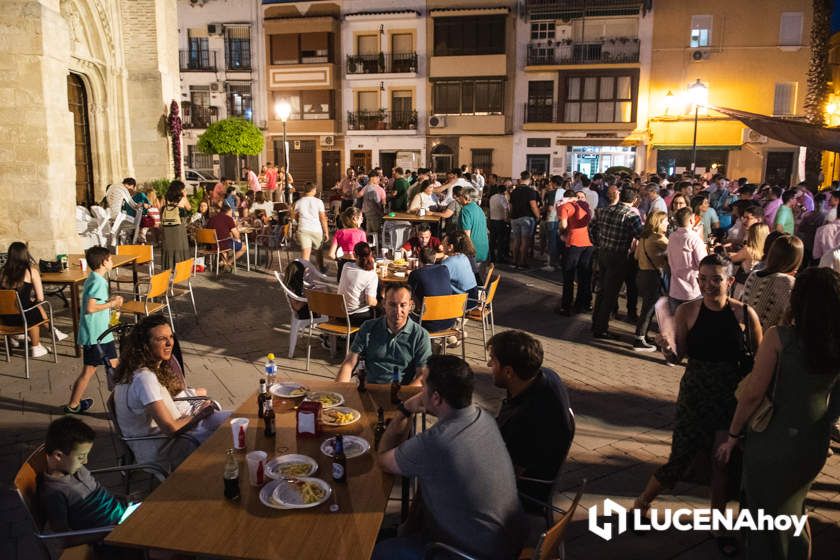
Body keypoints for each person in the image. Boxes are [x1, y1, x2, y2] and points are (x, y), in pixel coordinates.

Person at [636, 254, 762, 557]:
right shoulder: (689, 312)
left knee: (723, 463)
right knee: (680, 457)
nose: (707, 285)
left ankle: (718, 525)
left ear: (730, 281)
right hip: (696, 395)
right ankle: (642, 502)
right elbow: (678, 357)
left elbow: (759, 361)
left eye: (716, 278)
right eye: (702, 279)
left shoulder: (745, 314)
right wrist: (667, 348)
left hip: (730, 397)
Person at [717, 267, 840, 559]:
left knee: (764, 512)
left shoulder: (780, 338)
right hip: (813, 440)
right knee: (793, 508)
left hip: (773, 436)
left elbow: (753, 394)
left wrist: (733, 434)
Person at [373, 355, 526, 560]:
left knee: (370, 552)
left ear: (436, 398)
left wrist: (404, 410)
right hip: (508, 539)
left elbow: (382, 459)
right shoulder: (484, 418)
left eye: (424, 385)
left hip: (468, 553)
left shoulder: (435, 442)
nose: (421, 390)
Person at [112, 315, 224, 472]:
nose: (170, 343)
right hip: (164, 450)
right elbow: (171, 429)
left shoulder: (133, 370)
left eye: (171, 337)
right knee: (227, 437)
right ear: (145, 345)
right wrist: (199, 414)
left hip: (161, 441)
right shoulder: (145, 379)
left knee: (231, 422)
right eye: (161, 339)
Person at [488, 331, 574, 506]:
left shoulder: (526, 419)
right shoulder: (547, 376)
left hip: (523, 496)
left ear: (509, 372)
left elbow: (506, 477)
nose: (488, 364)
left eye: (493, 361)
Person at [38, 416, 127, 531]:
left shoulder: (75, 468)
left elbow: (98, 493)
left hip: (122, 512)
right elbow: (63, 535)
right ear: (58, 456)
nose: (85, 461)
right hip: (111, 532)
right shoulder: (54, 492)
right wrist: (111, 532)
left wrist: (122, 498)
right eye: (81, 457)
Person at [336, 284, 431, 385]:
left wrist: (404, 396)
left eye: (403, 305)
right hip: (370, 389)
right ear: (384, 304)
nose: (397, 311)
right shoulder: (368, 327)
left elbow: (422, 375)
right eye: (392, 305)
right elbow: (349, 363)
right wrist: (340, 390)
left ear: (411, 305)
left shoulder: (420, 335)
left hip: (402, 393)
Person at [65, 247, 123, 414]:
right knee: (89, 371)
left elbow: (95, 302)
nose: (112, 262)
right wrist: (112, 304)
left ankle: (122, 402)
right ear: (104, 262)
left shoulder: (94, 277)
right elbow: (91, 308)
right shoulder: (98, 282)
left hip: (103, 334)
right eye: (110, 260)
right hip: (95, 336)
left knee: (115, 367)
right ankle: (73, 405)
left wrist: (109, 301)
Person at [589, 188, 643, 339]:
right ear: (633, 200)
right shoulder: (631, 215)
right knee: (610, 293)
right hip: (618, 255)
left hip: (603, 252)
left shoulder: (604, 210)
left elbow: (591, 227)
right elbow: (641, 234)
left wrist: (597, 242)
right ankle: (600, 328)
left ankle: (596, 322)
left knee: (602, 289)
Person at [0, 242, 68, 357]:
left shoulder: (2, 272)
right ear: (25, 255)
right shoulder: (31, 272)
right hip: (24, 318)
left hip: (4, 318)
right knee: (35, 307)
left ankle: (15, 338)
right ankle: (37, 346)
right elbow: (40, 298)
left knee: (29, 306)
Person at [740, 234, 803, 331]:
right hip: (769, 341)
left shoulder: (753, 275)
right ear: (796, 260)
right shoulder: (788, 282)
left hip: (745, 335)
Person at [633, 211, 668, 351]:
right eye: (665, 221)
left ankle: (643, 335)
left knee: (647, 307)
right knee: (648, 308)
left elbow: (636, 256)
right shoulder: (658, 238)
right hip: (653, 275)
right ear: (659, 223)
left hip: (642, 273)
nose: (667, 224)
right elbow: (674, 250)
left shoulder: (643, 237)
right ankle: (639, 338)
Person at [557, 188, 593, 316]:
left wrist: (561, 231)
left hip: (573, 242)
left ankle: (566, 306)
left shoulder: (565, 206)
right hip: (588, 243)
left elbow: (564, 225)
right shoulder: (585, 206)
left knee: (569, 275)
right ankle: (582, 304)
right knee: (584, 275)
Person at [667, 207, 707, 313]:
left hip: (675, 289)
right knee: (691, 325)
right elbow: (703, 263)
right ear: (691, 220)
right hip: (691, 291)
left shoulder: (672, 236)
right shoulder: (694, 238)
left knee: (676, 325)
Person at [408, 246, 454, 333]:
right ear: (435, 258)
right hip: (449, 320)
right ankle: (446, 338)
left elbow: (409, 295)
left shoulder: (415, 274)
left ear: (419, 259)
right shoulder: (444, 269)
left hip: (427, 322)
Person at [336, 242, 378, 325]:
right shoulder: (371, 275)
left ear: (354, 255)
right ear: (370, 254)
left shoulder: (346, 266)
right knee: (380, 310)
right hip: (356, 316)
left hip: (339, 313)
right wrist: (378, 302)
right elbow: (370, 302)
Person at [728, 222, 768, 299]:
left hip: (742, 287)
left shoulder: (748, 250)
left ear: (752, 235)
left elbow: (731, 259)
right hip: (755, 288)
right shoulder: (766, 252)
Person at [509, 172, 540, 269]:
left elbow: (510, 206)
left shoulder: (514, 191)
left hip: (515, 218)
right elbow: (533, 205)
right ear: (529, 179)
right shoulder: (530, 191)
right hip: (526, 218)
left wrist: (510, 216)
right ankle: (522, 262)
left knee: (516, 240)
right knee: (525, 241)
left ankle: (514, 261)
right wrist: (538, 216)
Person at [294, 182, 329, 265]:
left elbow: (295, 216)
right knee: (319, 251)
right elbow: (323, 218)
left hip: (303, 229)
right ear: (313, 190)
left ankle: (304, 273)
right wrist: (326, 232)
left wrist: (298, 223)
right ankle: (321, 268)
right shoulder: (319, 202)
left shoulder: (298, 202)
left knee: (305, 254)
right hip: (316, 229)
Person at [441, 230, 479, 305]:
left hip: (463, 303)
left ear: (450, 247)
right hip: (473, 298)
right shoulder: (463, 257)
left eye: (444, 244)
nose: (442, 246)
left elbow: (437, 281)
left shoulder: (448, 263)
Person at [160, 180, 191, 271]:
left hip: (166, 226)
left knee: (168, 246)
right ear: (180, 189)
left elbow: (161, 210)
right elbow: (189, 209)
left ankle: (168, 266)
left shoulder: (165, 198)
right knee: (180, 245)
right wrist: (185, 197)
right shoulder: (182, 199)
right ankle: (180, 267)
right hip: (178, 226)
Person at [327, 206, 366, 278]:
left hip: (343, 264)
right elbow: (365, 253)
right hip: (356, 264)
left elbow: (331, 254)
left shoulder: (339, 232)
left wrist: (339, 260)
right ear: (354, 219)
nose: (362, 220)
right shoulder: (361, 233)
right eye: (361, 218)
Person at [459, 186, 489, 266]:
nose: (459, 198)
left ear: (466, 198)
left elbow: (466, 234)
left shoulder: (465, 210)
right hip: (483, 248)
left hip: (472, 250)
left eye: (460, 196)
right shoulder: (479, 209)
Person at [488, 182, 510, 263]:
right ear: (504, 191)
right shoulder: (503, 198)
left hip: (492, 220)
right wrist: (507, 219)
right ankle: (500, 257)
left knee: (492, 240)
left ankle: (492, 257)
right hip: (501, 221)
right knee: (501, 240)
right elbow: (506, 209)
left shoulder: (492, 197)